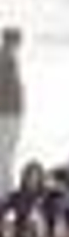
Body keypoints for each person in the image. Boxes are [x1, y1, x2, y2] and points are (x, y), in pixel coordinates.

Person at [0, 23, 22, 201]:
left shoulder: (11, 59)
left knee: (8, 154)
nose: (15, 44)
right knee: (4, 155)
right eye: (12, 39)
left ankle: (6, 191)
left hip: (13, 114)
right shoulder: (4, 59)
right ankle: (4, 194)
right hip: (5, 114)